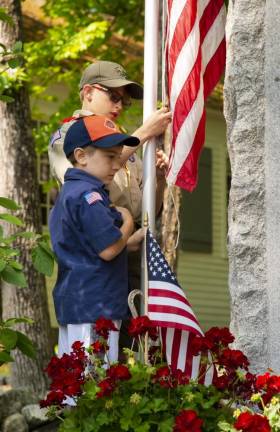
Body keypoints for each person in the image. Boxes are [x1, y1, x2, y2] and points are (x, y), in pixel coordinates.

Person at [48, 60, 171, 350]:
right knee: (95, 358)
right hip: (98, 259)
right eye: (113, 96)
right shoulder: (70, 134)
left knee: (132, 350)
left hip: (131, 255)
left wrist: (161, 179)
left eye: (125, 101)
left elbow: (144, 208)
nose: (120, 105)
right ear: (88, 93)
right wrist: (144, 133)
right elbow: (80, 183)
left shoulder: (122, 143)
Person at [49, 114, 142, 362]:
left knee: (75, 379)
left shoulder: (71, 192)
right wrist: (129, 221)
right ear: (81, 156)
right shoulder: (89, 196)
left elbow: (90, 246)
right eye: (110, 156)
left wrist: (129, 243)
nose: (117, 164)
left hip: (78, 302)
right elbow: (109, 249)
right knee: (94, 383)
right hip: (95, 305)